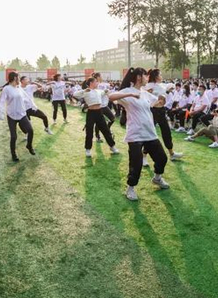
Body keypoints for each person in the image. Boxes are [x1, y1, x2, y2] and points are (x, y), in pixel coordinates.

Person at [108, 67, 169, 202]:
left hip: (150, 133)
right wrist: (130, 95)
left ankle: (157, 178)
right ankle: (130, 188)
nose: (148, 78)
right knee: (136, 164)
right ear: (138, 77)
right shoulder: (128, 91)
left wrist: (162, 99)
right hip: (135, 134)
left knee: (162, 158)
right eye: (145, 75)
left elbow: (157, 104)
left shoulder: (145, 93)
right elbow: (111, 97)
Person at [73, 77, 119, 157]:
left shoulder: (99, 91)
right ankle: (88, 149)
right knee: (89, 131)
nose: (97, 83)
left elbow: (104, 92)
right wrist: (84, 91)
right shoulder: (86, 91)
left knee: (106, 130)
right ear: (91, 83)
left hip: (99, 112)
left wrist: (106, 91)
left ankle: (112, 146)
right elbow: (75, 94)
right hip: (91, 113)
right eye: (96, 82)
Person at [145, 69, 183, 161]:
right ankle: (143, 156)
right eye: (160, 75)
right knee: (150, 133)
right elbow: (148, 98)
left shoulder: (160, 85)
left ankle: (172, 153)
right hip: (152, 111)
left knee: (166, 131)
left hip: (161, 111)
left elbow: (163, 93)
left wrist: (168, 91)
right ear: (156, 77)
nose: (161, 76)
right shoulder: (149, 86)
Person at [0, 72, 34, 161]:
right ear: (15, 78)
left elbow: (26, 97)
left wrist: (33, 105)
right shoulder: (7, 89)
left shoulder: (19, 88)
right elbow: (1, 101)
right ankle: (13, 155)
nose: (20, 79)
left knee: (30, 130)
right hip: (11, 116)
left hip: (22, 114)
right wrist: (1, 113)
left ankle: (29, 146)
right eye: (19, 77)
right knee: (14, 136)